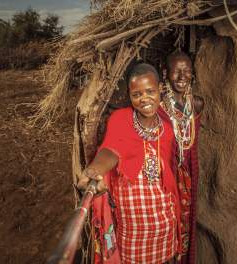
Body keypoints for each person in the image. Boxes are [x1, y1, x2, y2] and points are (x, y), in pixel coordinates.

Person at [77, 63, 182, 264]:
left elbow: (168, 173)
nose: (144, 99)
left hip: (164, 223)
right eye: (137, 94)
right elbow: (110, 150)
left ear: (160, 88)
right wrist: (94, 171)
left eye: (150, 91)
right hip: (133, 228)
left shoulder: (167, 125)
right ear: (129, 95)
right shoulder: (121, 119)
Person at [158, 51, 202, 264]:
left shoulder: (196, 105)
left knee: (183, 228)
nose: (183, 76)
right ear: (166, 73)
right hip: (162, 182)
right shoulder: (155, 107)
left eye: (187, 71)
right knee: (163, 231)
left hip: (185, 181)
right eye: (177, 71)